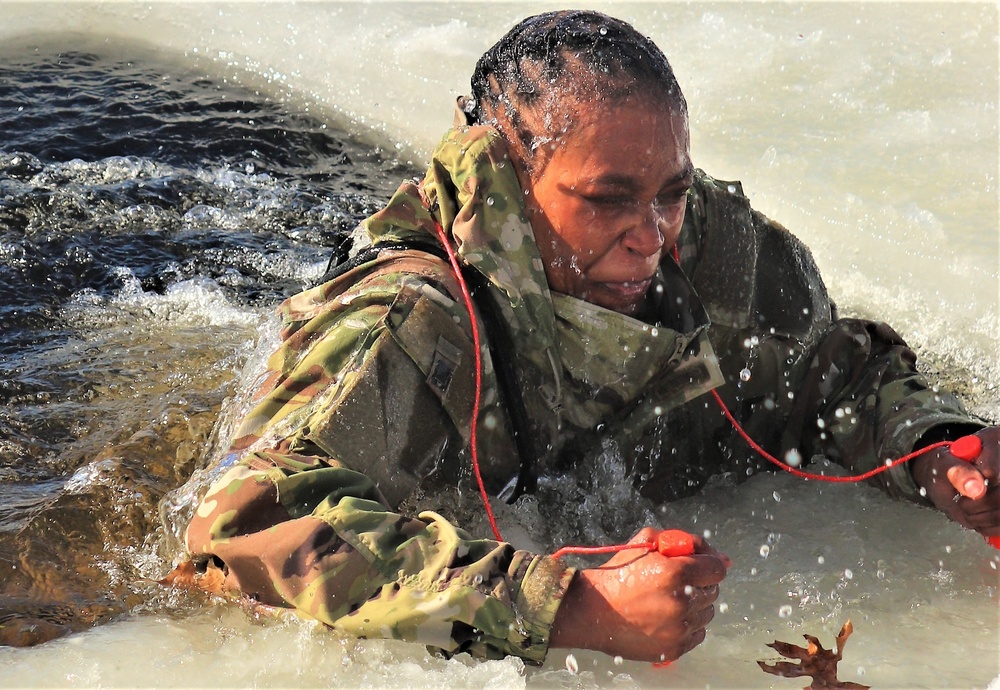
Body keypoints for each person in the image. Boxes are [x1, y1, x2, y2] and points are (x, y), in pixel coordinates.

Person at [183, 10, 999, 665]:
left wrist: (936, 451)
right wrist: (567, 606)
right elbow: (241, 523)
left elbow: (830, 370)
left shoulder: (697, 238)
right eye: (608, 199)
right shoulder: (408, 321)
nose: (651, 235)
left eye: (670, 190)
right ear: (506, 175)